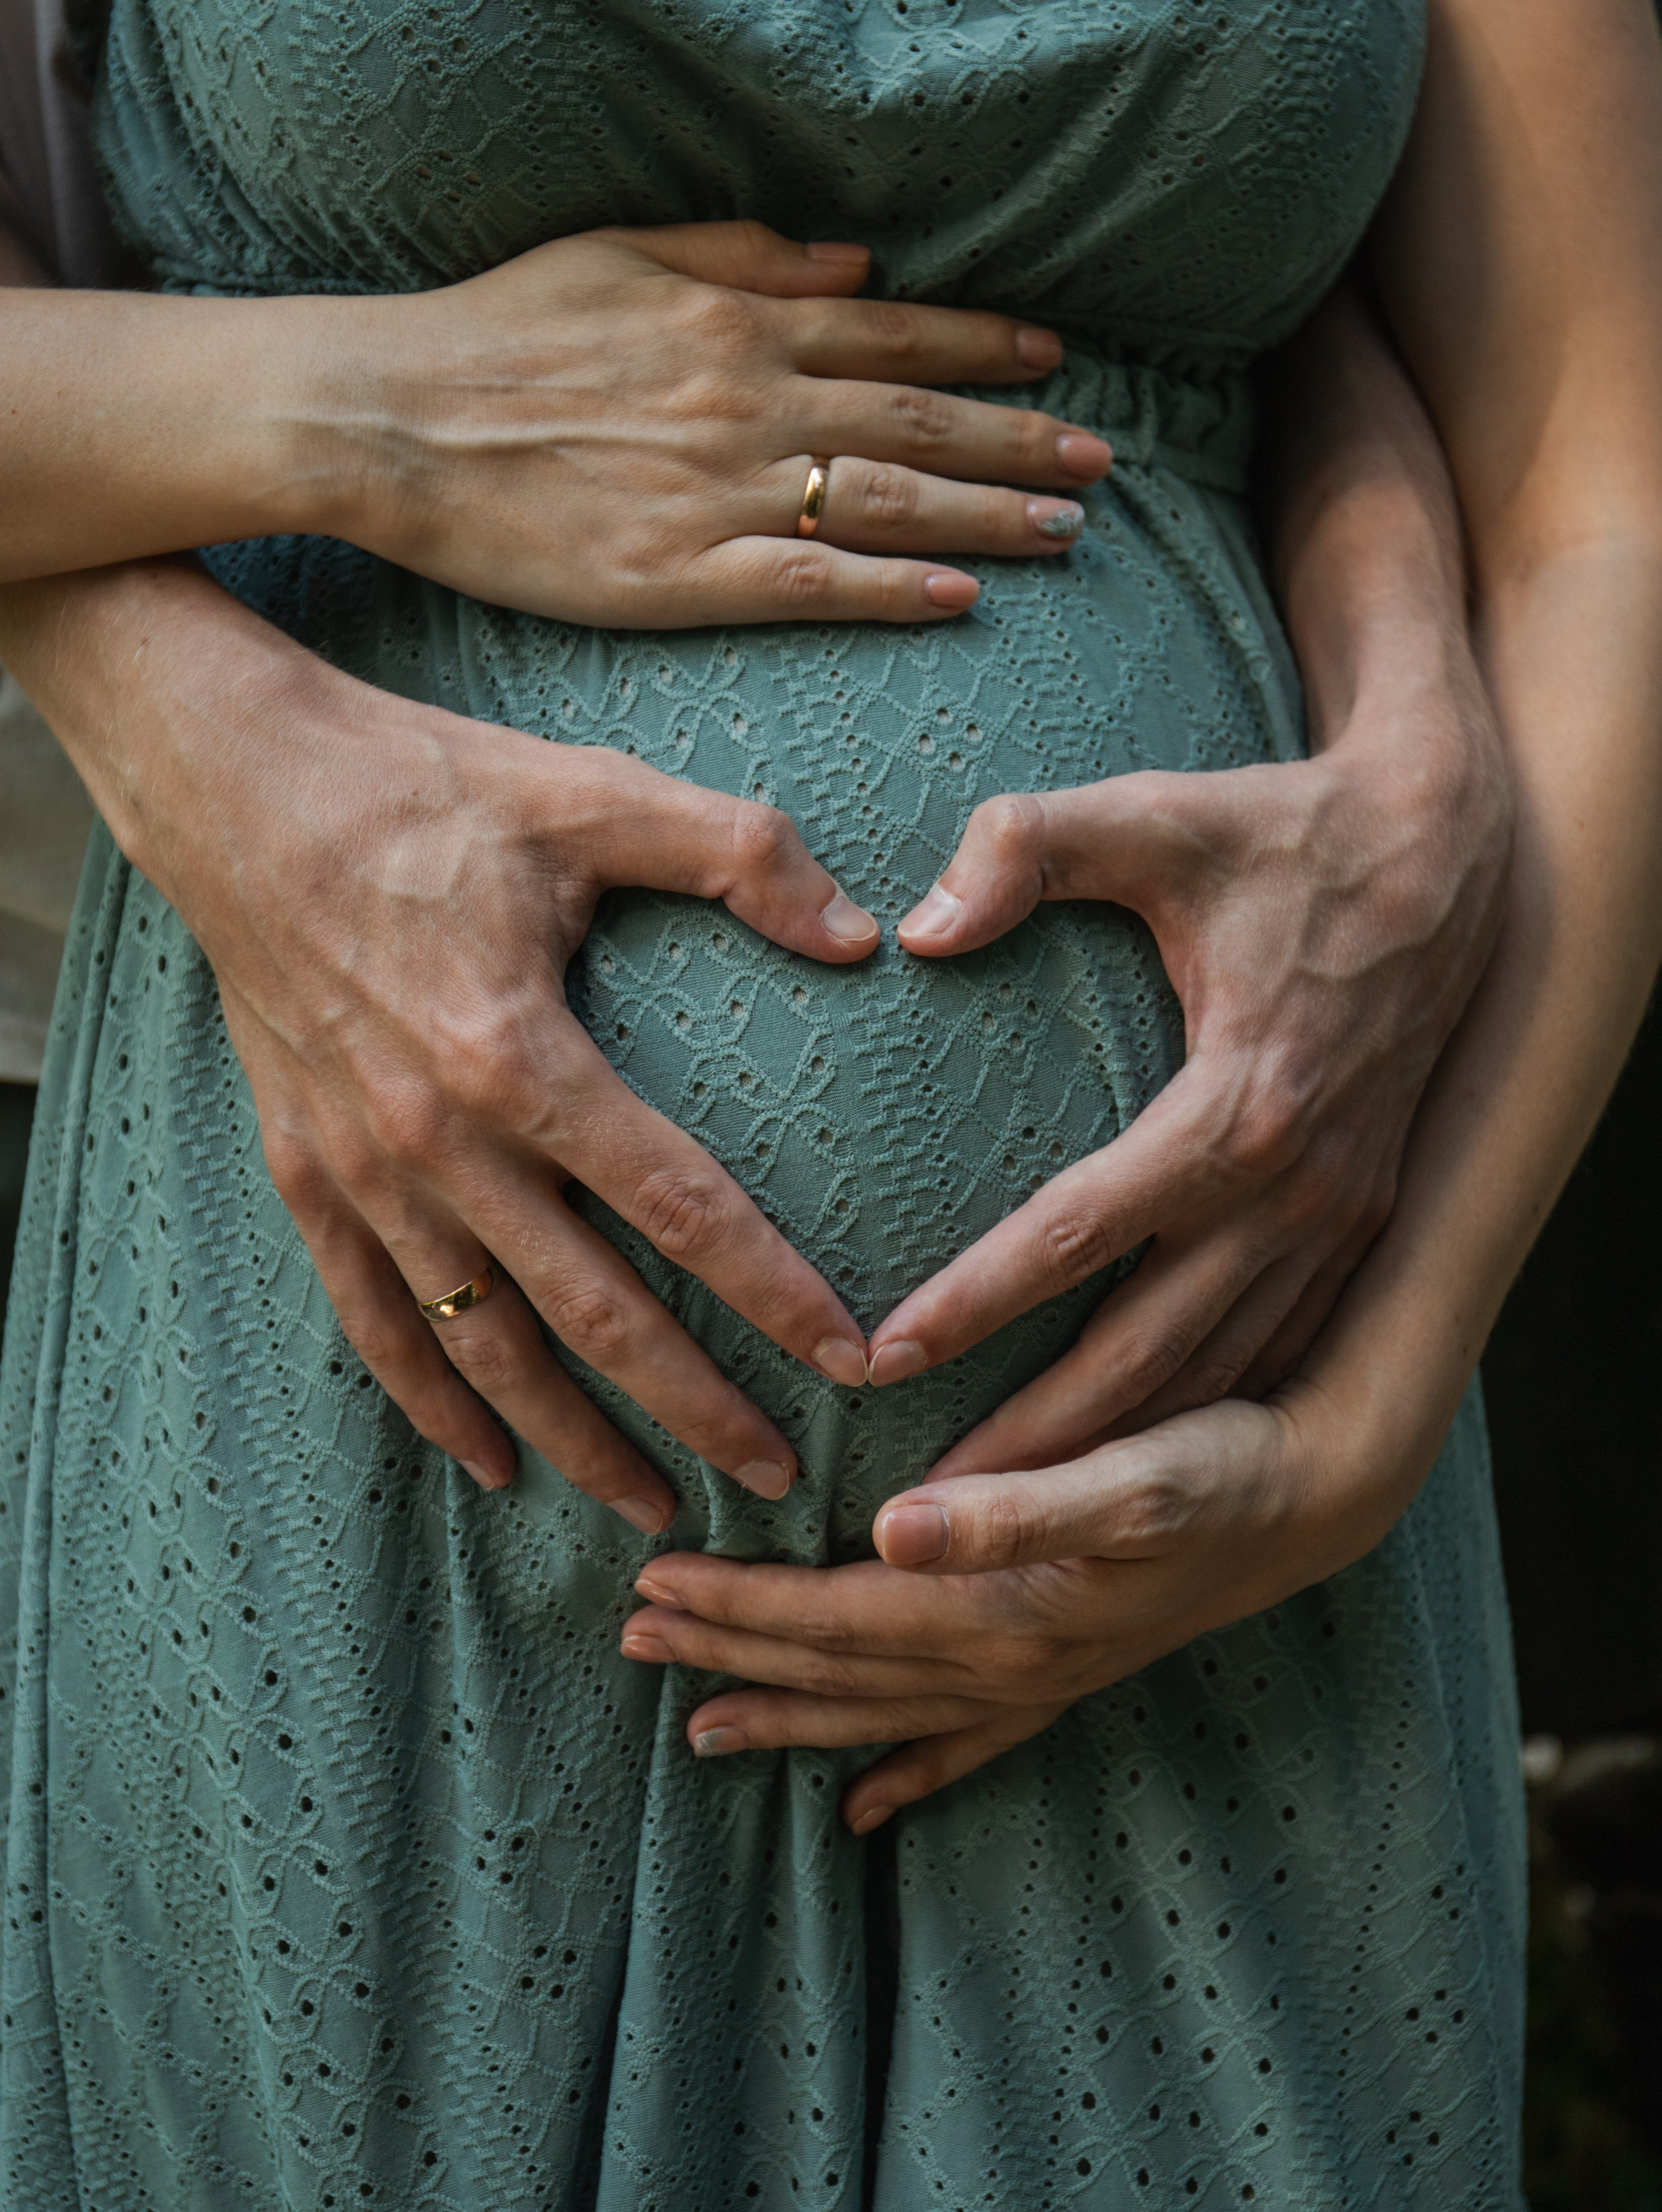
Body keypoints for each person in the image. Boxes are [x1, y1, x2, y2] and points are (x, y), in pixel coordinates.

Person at [0, 3, 1658, 2206]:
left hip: (1213, 1543)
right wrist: (332, 485)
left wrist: (1381, 1391)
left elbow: (1597, 489)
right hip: (376, 1430)